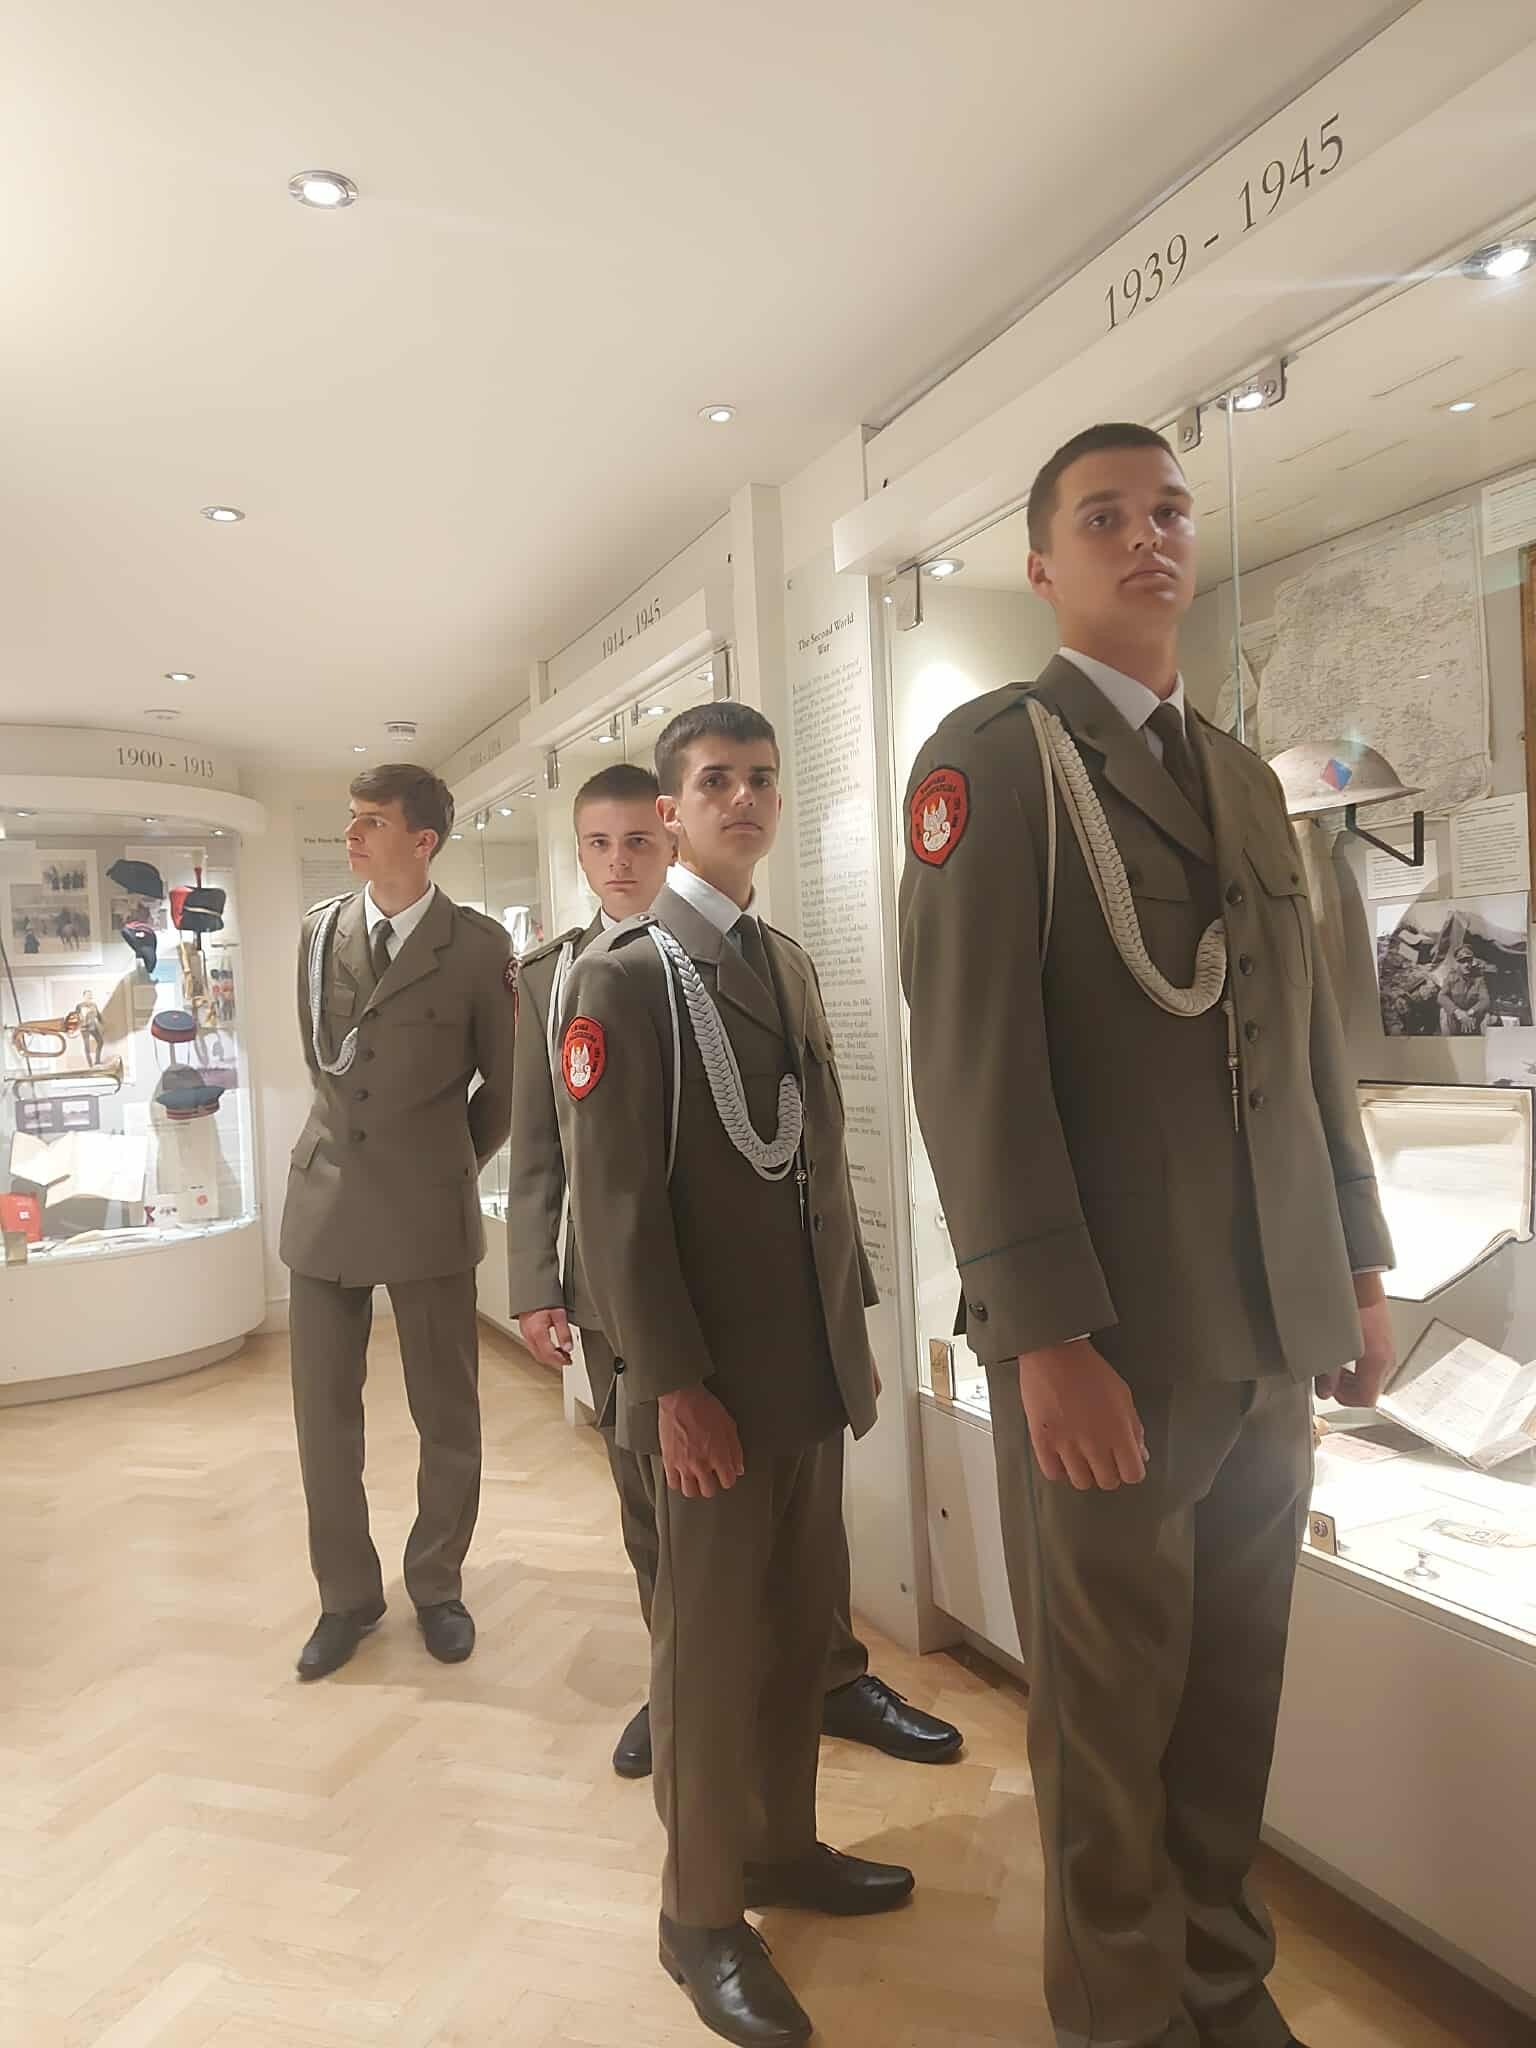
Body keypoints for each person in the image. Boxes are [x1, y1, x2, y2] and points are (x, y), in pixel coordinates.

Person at [899, 422, 1397, 2048]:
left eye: (1168, 509)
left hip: (1267, 1328)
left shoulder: (1244, 780)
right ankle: (1120, 2013)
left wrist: (1356, 1270)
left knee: (1234, 1695)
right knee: (1109, 1720)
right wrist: (1044, 1336)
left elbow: (1307, 1048)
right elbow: (973, 1068)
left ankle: (1219, 1981)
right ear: (1043, 566)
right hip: (1113, 1339)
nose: (1148, 537)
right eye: (1104, 516)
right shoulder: (996, 761)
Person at [556, 704, 915, 2047]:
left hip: (803, 1368)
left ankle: (780, 1847)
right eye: (717, 780)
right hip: (706, 1384)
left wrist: (847, 1342)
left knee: (795, 1634)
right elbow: (617, 1210)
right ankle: (700, 1912)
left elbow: (812, 1169)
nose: (745, 797)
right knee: (706, 1658)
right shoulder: (624, 979)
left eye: (762, 777)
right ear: (671, 810)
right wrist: (670, 1386)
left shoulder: (784, 959)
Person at [509, 760, 964, 1780]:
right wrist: (535, 1280)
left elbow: (814, 1158)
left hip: (758, 1306)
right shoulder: (560, 976)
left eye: (639, 840)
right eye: (600, 844)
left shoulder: (757, 959)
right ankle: (682, 1688)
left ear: (669, 834)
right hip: (622, 1295)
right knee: (664, 1524)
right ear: (580, 854)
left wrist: (845, 1315)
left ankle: (826, 1676)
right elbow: (543, 1148)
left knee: (802, 1528)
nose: (622, 861)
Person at [279, 762, 517, 1681]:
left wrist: (446, 1164)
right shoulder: (319, 934)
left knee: (446, 1413)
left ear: (423, 841)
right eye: (351, 818)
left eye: (371, 821)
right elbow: (321, 1060)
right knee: (323, 1421)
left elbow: (504, 1089)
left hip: (427, 1206)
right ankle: (346, 1596)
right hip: (327, 1202)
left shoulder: (477, 947)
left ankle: (437, 1585)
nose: (351, 835)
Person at [1439, 944, 1492, 1035]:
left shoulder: (1478, 979)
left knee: (1487, 1017)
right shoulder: (1451, 977)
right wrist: (1457, 1012)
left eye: (1469, 961)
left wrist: (1469, 1013)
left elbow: (1485, 1000)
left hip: (1473, 1017)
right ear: (1457, 963)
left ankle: (1484, 1042)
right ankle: (1448, 1042)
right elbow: (1441, 996)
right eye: (1462, 961)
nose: (1466, 964)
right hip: (1456, 1016)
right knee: (1443, 1013)